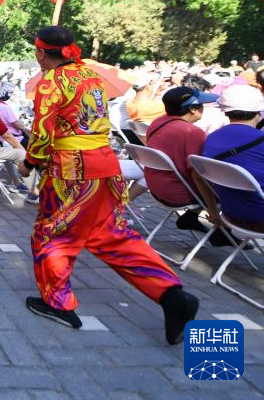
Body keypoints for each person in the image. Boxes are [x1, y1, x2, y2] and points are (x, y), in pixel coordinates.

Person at [20, 26, 197, 344]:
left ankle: (58, 304)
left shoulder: (51, 82)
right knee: (112, 234)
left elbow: (43, 132)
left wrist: (29, 163)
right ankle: (172, 295)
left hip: (71, 170)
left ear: (41, 52)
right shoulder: (91, 76)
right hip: (105, 163)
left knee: (53, 235)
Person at [143, 86, 221, 235]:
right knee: (230, 186)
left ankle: (191, 218)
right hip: (178, 194)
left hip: (156, 187)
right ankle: (222, 233)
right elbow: (198, 176)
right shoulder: (192, 132)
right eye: (202, 104)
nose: (203, 108)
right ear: (192, 109)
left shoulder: (158, 122)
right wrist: (213, 212)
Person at [202, 84, 264, 230]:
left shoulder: (211, 138)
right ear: (258, 112)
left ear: (225, 112)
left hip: (231, 214)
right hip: (259, 218)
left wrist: (212, 211)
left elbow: (198, 177)